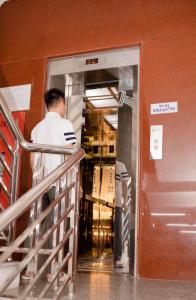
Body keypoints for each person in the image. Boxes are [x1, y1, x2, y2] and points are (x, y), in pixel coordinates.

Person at [22, 88, 77, 281]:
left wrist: (37, 180)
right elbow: (71, 152)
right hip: (58, 181)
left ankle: (29, 270)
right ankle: (55, 269)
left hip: (40, 182)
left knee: (35, 225)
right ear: (61, 103)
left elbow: (32, 157)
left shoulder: (37, 128)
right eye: (64, 104)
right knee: (57, 225)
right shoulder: (65, 124)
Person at [114, 160, 129, 268]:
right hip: (111, 201)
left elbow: (124, 185)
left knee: (118, 231)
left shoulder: (120, 165)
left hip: (117, 203)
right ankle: (115, 258)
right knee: (116, 231)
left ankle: (117, 258)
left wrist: (124, 201)